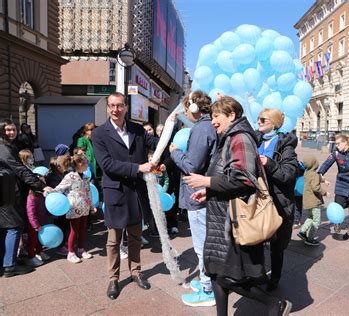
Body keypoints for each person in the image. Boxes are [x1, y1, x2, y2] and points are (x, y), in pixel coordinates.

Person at [183, 96, 292, 316]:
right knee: (216, 274)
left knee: (228, 276)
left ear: (231, 115)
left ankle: (274, 304)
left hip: (231, 221)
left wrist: (207, 182)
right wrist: (209, 191)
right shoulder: (229, 136)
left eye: (216, 116)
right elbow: (228, 175)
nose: (212, 121)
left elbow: (244, 180)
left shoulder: (239, 138)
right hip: (221, 217)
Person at [92, 92, 159, 300]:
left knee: (135, 237)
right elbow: (107, 165)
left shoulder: (137, 129)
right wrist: (139, 167)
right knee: (113, 241)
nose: (115, 110)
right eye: (111, 106)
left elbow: (156, 143)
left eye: (119, 105)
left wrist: (164, 154)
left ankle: (136, 272)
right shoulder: (99, 134)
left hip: (136, 193)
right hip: (116, 192)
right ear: (107, 107)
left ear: (126, 107)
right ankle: (113, 278)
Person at [169, 90, 217, 307]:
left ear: (194, 108)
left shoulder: (201, 129)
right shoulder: (208, 126)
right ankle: (207, 281)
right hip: (203, 194)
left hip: (199, 195)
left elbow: (191, 165)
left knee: (201, 244)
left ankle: (208, 290)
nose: (185, 112)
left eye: (186, 108)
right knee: (205, 241)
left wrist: (175, 152)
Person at [0, 119, 50, 277]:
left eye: (13, 129)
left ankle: (6, 260)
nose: (11, 132)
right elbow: (20, 170)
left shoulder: (8, 146)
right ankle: (9, 265)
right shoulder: (4, 148)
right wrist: (41, 186)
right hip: (8, 193)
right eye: (7, 130)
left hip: (6, 191)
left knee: (5, 227)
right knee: (14, 226)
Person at [256, 108, 298, 292]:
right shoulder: (255, 140)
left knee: (276, 245)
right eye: (258, 118)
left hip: (279, 203)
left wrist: (269, 163)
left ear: (273, 122)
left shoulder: (286, 146)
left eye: (263, 119)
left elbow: (288, 175)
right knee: (254, 239)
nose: (258, 122)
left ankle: (275, 278)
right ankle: (256, 274)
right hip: (257, 200)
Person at [51, 154, 95, 263]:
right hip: (74, 208)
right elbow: (59, 188)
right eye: (85, 163)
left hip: (84, 207)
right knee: (74, 230)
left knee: (83, 229)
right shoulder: (70, 176)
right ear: (79, 164)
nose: (87, 164)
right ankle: (71, 252)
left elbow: (88, 192)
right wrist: (49, 192)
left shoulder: (85, 176)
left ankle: (81, 249)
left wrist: (91, 206)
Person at [297, 155, 329, 246]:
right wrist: (325, 193)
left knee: (311, 217)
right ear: (315, 164)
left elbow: (317, 178)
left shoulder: (307, 173)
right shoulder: (314, 175)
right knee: (316, 221)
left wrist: (324, 180)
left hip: (307, 200)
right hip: (314, 201)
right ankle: (309, 239)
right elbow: (316, 187)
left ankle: (303, 232)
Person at [25, 173, 50, 267]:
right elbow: (30, 213)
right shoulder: (31, 197)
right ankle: (31, 256)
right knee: (32, 240)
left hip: (41, 222)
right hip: (33, 225)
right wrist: (35, 225)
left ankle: (40, 252)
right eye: (41, 183)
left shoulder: (40, 196)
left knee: (39, 240)